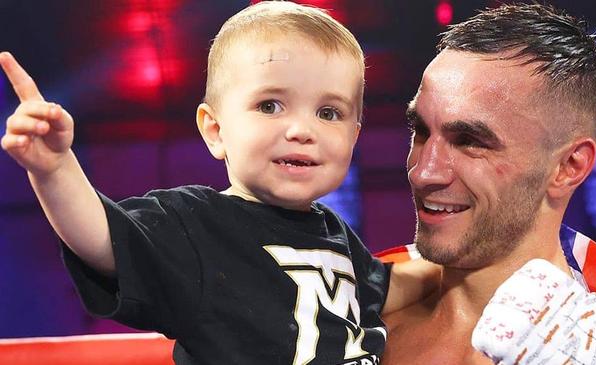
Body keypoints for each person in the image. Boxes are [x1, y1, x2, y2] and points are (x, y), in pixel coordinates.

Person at [0, 2, 433, 364]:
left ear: (355, 136)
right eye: (270, 105)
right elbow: (101, 240)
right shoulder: (194, 223)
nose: (303, 129)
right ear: (215, 130)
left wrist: (492, 266)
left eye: (329, 113)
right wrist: (54, 168)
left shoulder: (336, 236)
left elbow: (387, 288)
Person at [378, 3, 596, 365]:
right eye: (421, 131)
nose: (424, 172)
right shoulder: (341, 308)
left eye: (470, 141)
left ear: (569, 166)